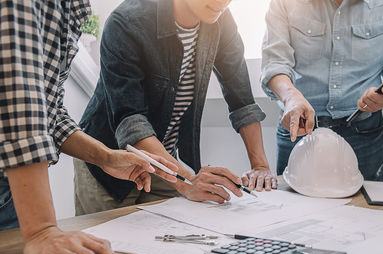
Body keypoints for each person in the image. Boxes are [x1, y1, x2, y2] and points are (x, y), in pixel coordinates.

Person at [0, 1, 179, 254]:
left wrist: (106, 157)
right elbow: (18, 100)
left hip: (10, 190)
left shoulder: (68, 9)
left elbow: (50, 113)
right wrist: (42, 229)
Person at [75, 0, 277, 215]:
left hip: (165, 159)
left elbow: (242, 100)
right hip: (109, 160)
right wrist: (187, 181)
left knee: (176, 235)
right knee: (109, 244)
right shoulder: (126, 22)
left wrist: (261, 168)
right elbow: (131, 121)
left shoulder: (220, 19)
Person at [261, 0, 383, 181]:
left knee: (363, 208)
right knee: (294, 207)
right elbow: (274, 62)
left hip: (364, 133)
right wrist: (291, 97)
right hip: (300, 128)